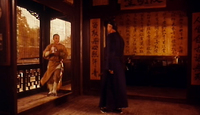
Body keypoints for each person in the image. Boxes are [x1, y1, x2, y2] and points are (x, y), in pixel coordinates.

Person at [99, 20, 128, 114]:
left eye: (107, 27)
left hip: (112, 64)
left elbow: (109, 53)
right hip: (119, 65)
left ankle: (109, 107)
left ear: (111, 27)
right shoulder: (120, 38)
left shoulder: (110, 36)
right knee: (118, 86)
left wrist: (109, 67)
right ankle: (117, 107)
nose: (107, 29)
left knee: (109, 85)